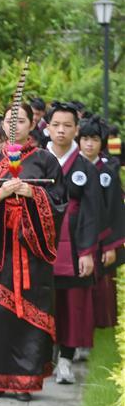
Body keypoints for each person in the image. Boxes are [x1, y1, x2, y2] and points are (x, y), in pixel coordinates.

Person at [0, 102, 67, 401]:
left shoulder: (46, 161)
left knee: (31, 315)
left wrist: (33, 193)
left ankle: (25, 381)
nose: (15, 126)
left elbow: (59, 201)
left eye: (21, 120)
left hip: (32, 250)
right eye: (10, 121)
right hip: (2, 248)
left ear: (31, 124)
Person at [45, 102, 101, 385]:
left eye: (67, 125)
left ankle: (65, 360)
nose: (61, 130)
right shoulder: (37, 160)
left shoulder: (84, 167)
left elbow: (93, 211)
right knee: (43, 301)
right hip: (41, 243)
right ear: (47, 127)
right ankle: (43, 357)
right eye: (56, 125)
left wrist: (88, 252)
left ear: (76, 130)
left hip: (75, 241)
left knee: (71, 304)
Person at [78, 116, 124, 333]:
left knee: (101, 286)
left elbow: (115, 210)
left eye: (94, 139)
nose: (89, 144)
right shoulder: (70, 169)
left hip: (102, 237)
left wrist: (111, 245)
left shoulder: (108, 172)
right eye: (85, 139)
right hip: (75, 236)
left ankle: (93, 331)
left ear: (102, 143)